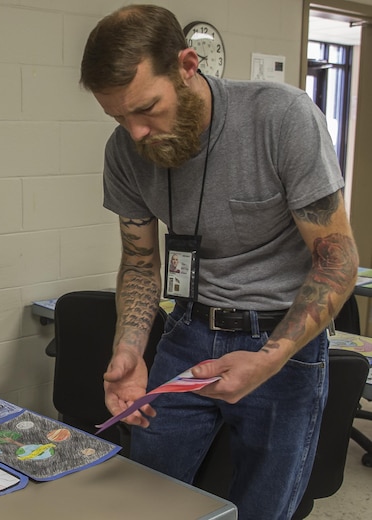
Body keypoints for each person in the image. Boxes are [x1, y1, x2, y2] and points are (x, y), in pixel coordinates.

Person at [79, 5, 358, 520]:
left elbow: (336, 262)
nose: (136, 132)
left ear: (187, 65)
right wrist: (129, 349)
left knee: (262, 508)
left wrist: (268, 359)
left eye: (147, 108)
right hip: (188, 332)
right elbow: (141, 263)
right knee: (148, 498)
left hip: (283, 344)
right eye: (118, 116)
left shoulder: (281, 117)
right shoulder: (125, 151)